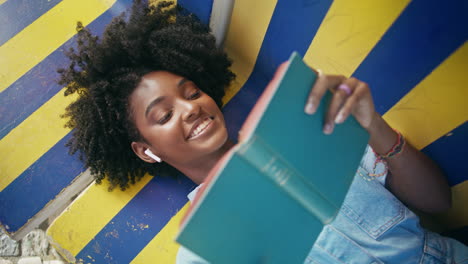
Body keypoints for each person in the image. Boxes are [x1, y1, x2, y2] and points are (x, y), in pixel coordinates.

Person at [59, 1, 468, 263]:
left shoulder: (309, 127)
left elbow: (437, 200)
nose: (191, 108)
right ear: (145, 151)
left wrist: (372, 125)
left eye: (193, 92)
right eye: (163, 115)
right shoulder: (203, 253)